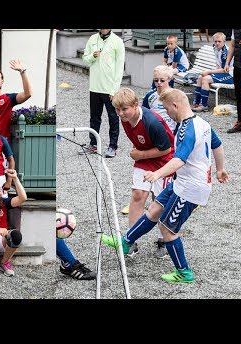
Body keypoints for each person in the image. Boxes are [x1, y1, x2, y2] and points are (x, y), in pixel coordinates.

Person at [102, 88, 230, 283]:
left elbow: (178, 160)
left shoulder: (186, 130)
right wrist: (220, 169)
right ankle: (126, 242)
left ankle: (184, 272)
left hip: (190, 189)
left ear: (175, 106)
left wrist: (157, 174)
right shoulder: (202, 123)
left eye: (167, 108)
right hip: (181, 182)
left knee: (167, 227)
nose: (166, 113)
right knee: (154, 209)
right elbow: (217, 144)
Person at [112, 87, 174, 259]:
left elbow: (166, 148)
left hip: (164, 160)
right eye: (117, 109)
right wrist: (141, 154)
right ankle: (130, 240)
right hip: (145, 157)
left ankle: (164, 240)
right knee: (138, 194)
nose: (121, 113)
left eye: (124, 109)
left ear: (135, 105)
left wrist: (140, 154)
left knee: (159, 200)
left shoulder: (152, 122)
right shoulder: (125, 118)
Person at [81, 29, 125, 158]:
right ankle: (93, 144)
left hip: (110, 88)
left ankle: (112, 146)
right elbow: (85, 60)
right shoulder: (92, 39)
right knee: (94, 118)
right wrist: (92, 56)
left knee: (113, 118)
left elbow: (119, 67)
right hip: (94, 87)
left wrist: (114, 90)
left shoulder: (117, 41)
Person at [192, 32, 234, 112]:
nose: (217, 43)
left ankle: (204, 105)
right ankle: (196, 103)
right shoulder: (215, 48)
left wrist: (208, 71)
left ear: (224, 41)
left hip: (230, 75)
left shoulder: (226, 52)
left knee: (206, 79)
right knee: (201, 77)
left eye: (219, 41)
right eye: (215, 41)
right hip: (223, 73)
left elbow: (224, 69)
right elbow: (218, 66)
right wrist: (211, 73)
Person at [224, 29, 241, 133]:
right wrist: (227, 63)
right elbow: (232, 45)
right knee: (239, 95)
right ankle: (240, 122)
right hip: (238, 65)